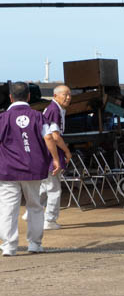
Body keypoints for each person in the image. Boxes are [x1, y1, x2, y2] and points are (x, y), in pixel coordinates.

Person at [0, 82, 61, 256]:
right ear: (28, 97)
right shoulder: (38, 116)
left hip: (7, 170)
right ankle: (34, 244)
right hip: (33, 169)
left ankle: (9, 246)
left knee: (7, 208)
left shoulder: (3, 118)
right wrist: (55, 159)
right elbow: (49, 138)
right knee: (35, 205)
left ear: (11, 97)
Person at [40, 85, 73, 229]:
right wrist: (66, 151)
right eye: (64, 94)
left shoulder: (56, 109)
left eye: (69, 94)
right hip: (52, 151)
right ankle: (50, 220)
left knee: (43, 186)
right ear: (55, 96)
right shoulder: (54, 110)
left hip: (46, 151)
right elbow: (55, 136)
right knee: (54, 188)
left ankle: (32, 212)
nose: (68, 97)